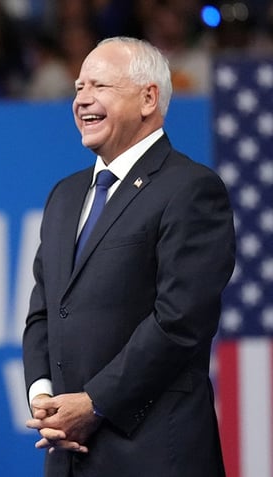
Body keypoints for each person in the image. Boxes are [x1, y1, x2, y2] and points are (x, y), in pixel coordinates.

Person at [21, 37, 235, 476]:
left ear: (148, 97)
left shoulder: (190, 189)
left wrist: (95, 403)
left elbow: (179, 322)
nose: (81, 100)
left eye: (99, 86)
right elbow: (44, 312)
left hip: (154, 453)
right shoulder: (64, 196)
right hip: (69, 455)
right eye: (78, 87)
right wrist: (43, 398)